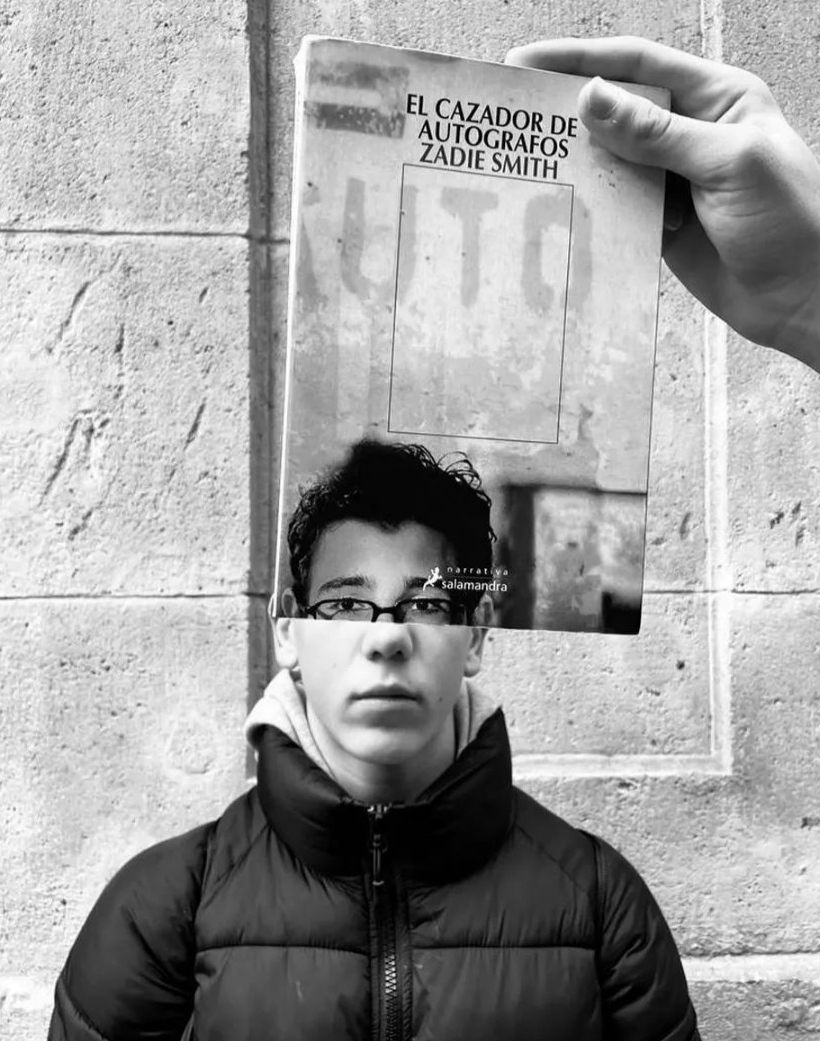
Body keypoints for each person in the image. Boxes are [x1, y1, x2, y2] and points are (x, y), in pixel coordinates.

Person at [48, 36, 820, 1041]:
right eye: (344, 603)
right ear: (287, 628)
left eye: (427, 600)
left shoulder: (601, 908)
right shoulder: (161, 910)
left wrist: (808, 298)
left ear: (480, 631)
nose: (387, 636)